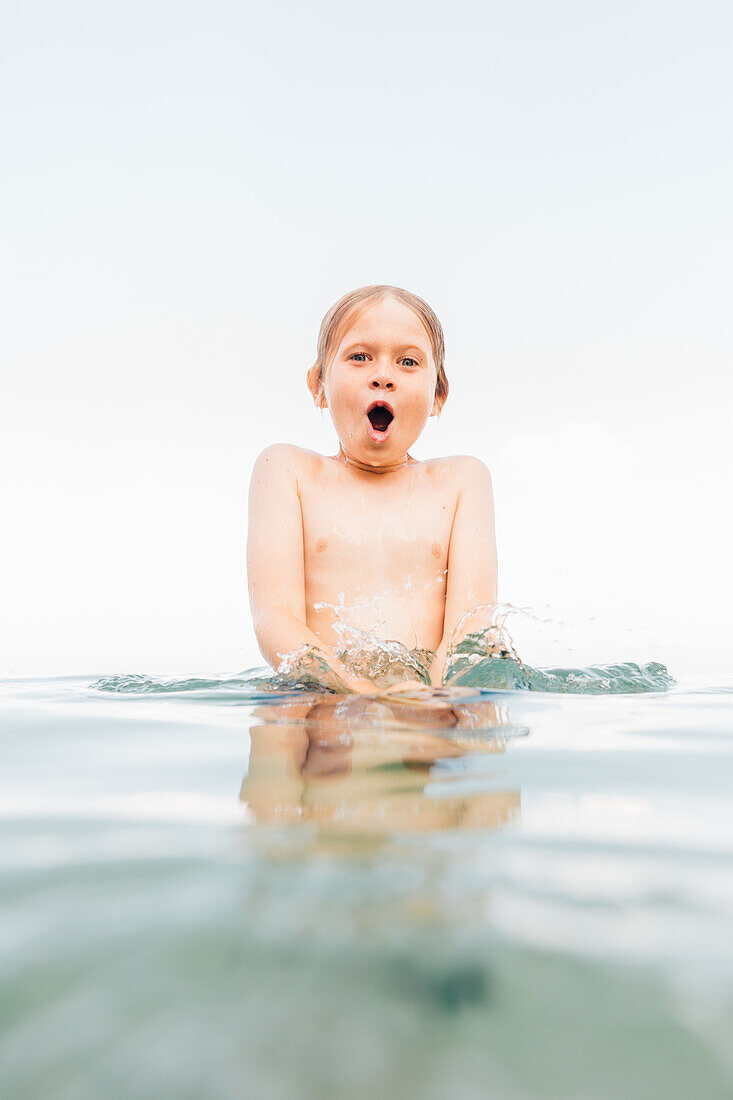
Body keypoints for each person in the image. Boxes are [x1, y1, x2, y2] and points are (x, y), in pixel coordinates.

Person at [246, 283, 498, 695]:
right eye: (359, 357)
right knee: (284, 728)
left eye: (408, 362)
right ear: (318, 385)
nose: (383, 376)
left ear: (438, 396)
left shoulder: (461, 482)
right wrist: (354, 691)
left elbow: (470, 629)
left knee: (475, 725)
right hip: (323, 700)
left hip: (430, 703)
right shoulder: (287, 472)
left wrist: (432, 701)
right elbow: (273, 619)